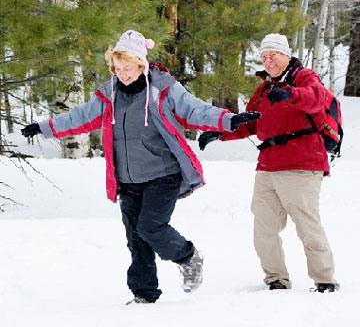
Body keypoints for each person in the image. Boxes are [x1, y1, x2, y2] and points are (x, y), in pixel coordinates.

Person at [21, 30, 261, 304]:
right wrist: (44, 127)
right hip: (128, 179)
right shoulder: (109, 95)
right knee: (136, 238)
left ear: (141, 64)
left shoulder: (162, 89)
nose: (124, 74)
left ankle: (188, 256)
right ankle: (144, 294)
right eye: (118, 68)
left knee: (151, 227)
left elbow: (194, 110)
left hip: (163, 174)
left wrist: (229, 119)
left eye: (129, 68)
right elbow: (80, 117)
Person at [198, 33, 339, 293]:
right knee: (263, 228)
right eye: (264, 56)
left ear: (286, 55)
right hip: (267, 167)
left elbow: (316, 99)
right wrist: (220, 132)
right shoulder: (264, 89)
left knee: (308, 226)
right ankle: (276, 279)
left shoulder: (304, 78)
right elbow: (250, 122)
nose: (268, 60)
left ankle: (325, 280)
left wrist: (291, 95)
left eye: (273, 54)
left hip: (301, 164)